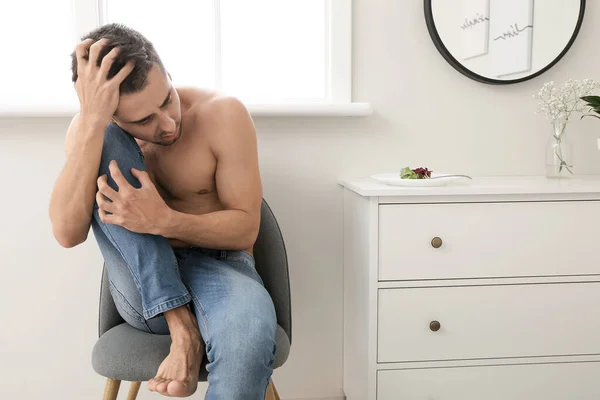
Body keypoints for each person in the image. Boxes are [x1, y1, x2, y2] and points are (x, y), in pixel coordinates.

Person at [48, 23, 277, 399]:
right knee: (102, 140)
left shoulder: (222, 114)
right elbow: (67, 234)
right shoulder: (96, 130)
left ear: (167, 73)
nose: (168, 124)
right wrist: (90, 122)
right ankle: (180, 325)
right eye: (143, 121)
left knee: (247, 340)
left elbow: (244, 231)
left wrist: (163, 220)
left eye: (166, 98)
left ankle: (185, 328)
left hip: (223, 267)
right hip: (141, 289)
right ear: (112, 112)